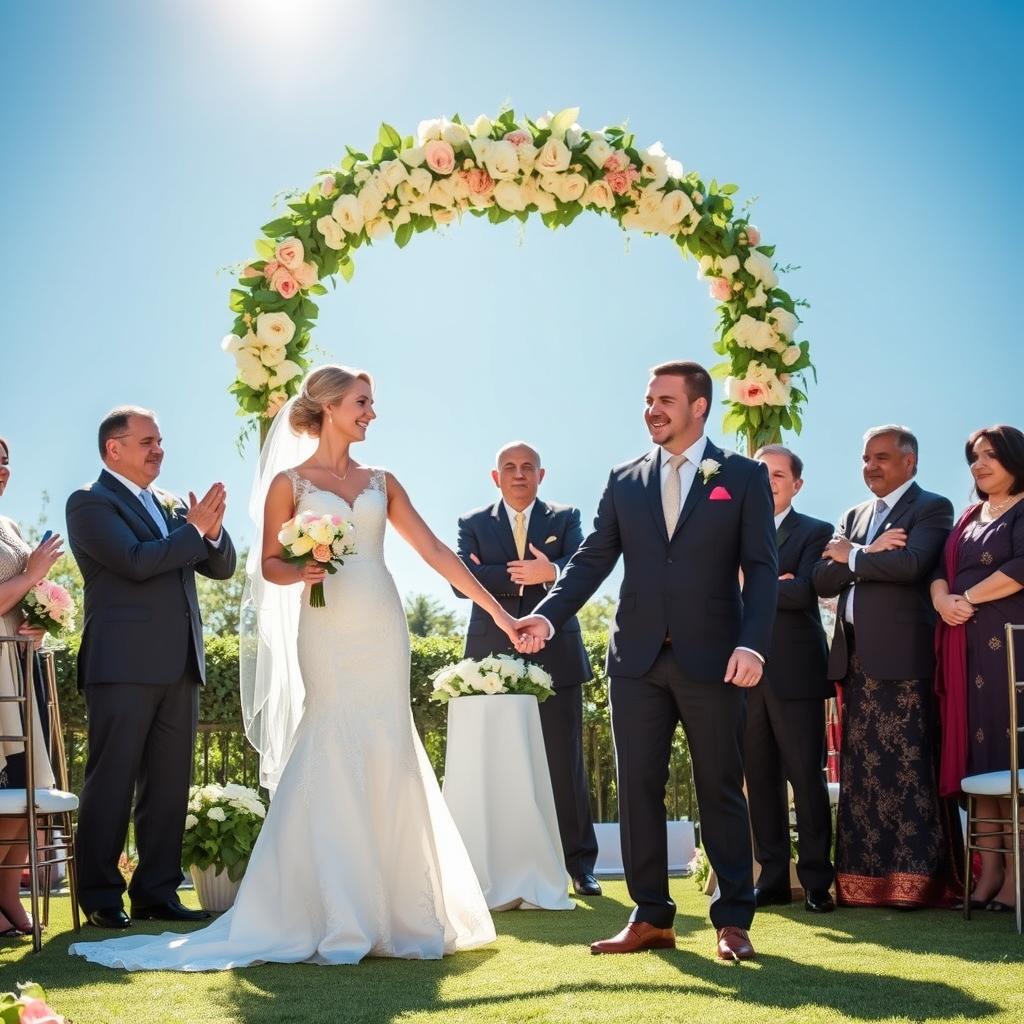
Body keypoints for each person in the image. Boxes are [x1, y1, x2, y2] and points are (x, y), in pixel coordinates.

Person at [69, 364, 524, 970]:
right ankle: (328, 906)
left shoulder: (382, 481)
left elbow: (435, 550)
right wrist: (303, 567)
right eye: (363, 402)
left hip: (382, 623)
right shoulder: (289, 483)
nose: (371, 413)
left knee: (389, 745)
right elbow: (269, 566)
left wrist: (500, 613)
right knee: (330, 740)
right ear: (331, 405)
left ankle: (398, 908)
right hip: (326, 629)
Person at [518, 360, 777, 962]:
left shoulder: (740, 476)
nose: (652, 410)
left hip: (715, 658)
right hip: (634, 660)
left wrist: (752, 643)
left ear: (699, 406)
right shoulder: (624, 478)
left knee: (719, 788)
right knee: (638, 789)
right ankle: (651, 916)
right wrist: (549, 614)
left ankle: (733, 920)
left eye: (665, 400)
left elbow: (761, 570)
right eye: (647, 400)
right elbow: (591, 560)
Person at [65, 406, 237, 930]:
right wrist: (193, 531)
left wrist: (210, 532)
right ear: (113, 448)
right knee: (112, 781)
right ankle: (100, 896)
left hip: (179, 664)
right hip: (120, 666)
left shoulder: (166, 504)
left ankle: (156, 891)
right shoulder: (89, 503)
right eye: (147, 442)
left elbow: (222, 567)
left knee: (168, 786)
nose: (158, 450)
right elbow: (137, 561)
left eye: (160, 441)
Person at [813, 425, 961, 908]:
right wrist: (869, 553)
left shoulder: (932, 507)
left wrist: (854, 555)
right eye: (864, 458)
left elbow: (913, 565)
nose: (869, 466)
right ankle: (863, 883)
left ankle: (916, 885)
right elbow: (821, 577)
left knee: (908, 769)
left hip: (904, 661)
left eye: (880, 457)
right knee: (863, 774)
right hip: (856, 665)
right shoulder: (852, 515)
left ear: (909, 461)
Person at [455, 441, 599, 897]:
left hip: (557, 654)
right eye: (509, 468)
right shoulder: (472, 523)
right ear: (495, 477)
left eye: (527, 467)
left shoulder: (565, 517)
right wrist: (527, 574)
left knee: (565, 765)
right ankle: (495, 865)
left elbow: (581, 571)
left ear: (542, 474)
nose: (519, 474)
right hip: (490, 656)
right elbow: (461, 582)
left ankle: (580, 867)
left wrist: (552, 572)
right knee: (495, 760)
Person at [932, 425, 1024, 912]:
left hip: (1010, 647)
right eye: (974, 457)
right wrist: (945, 600)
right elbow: (939, 573)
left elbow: (1020, 568)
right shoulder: (969, 516)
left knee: (1011, 754)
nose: (980, 464)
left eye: (991, 455)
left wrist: (964, 597)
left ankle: (1017, 879)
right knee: (980, 759)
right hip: (965, 648)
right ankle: (988, 874)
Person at [746, 445, 835, 913]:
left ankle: (817, 880)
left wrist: (755, 586)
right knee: (759, 781)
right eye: (761, 472)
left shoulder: (816, 531)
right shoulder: (733, 533)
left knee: (805, 777)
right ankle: (773, 879)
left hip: (796, 673)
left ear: (796, 484)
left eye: (778, 474)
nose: (768, 480)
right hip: (743, 676)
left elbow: (806, 591)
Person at [0, 435, 63, 938]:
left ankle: (6, 894)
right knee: (5, 781)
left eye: (5, 461)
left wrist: (38, 617)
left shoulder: (10, 525)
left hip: (21, 659)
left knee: (30, 784)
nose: (2, 469)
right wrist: (34, 572)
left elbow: (19, 596)